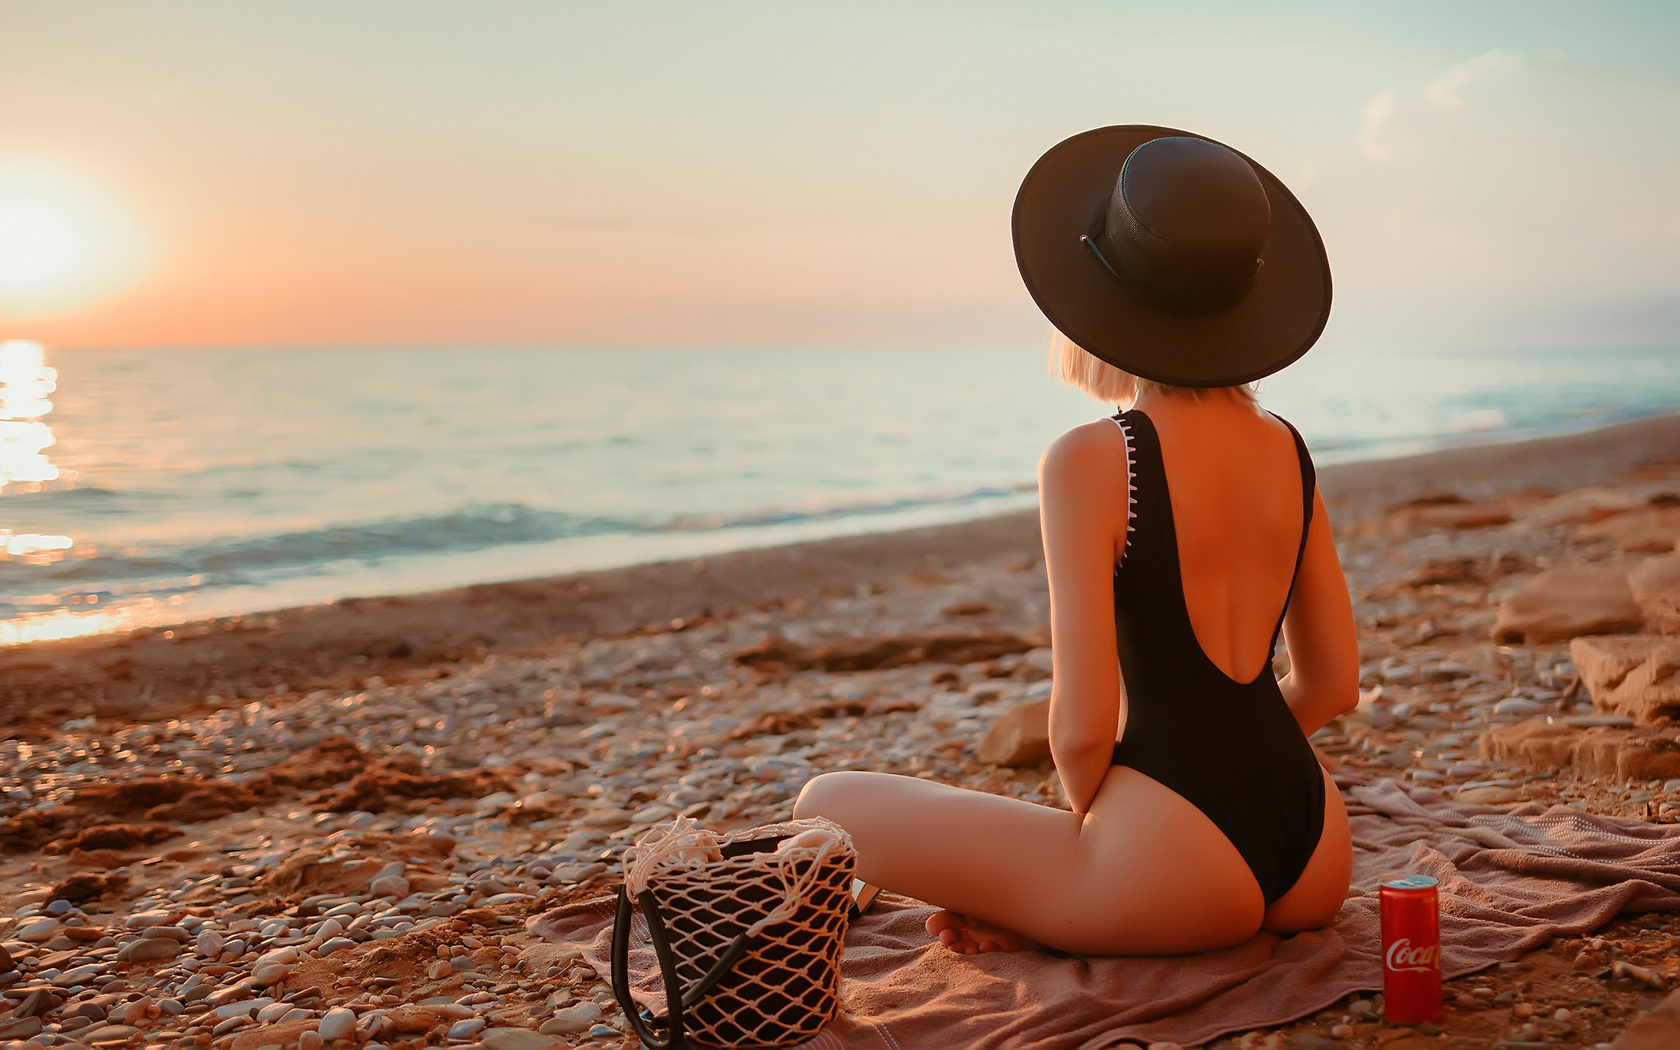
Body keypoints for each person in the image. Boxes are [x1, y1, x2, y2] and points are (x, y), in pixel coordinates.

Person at [792, 126, 1359, 956]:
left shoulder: (1095, 459)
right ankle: (1073, 894)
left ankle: (1071, 899)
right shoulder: (1290, 449)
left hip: (1176, 865)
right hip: (1314, 849)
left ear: (1099, 295)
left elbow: (1083, 728)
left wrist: (1110, 833)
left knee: (825, 802)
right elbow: (1335, 684)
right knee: (1060, 860)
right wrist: (1232, 768)